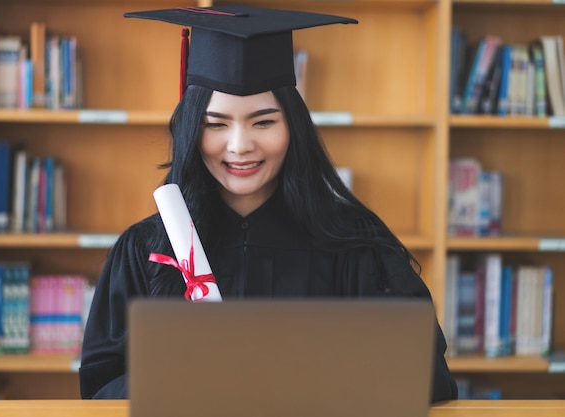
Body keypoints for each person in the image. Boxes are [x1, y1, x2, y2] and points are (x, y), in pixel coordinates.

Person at [79, 4, 457, 403]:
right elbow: (101, 388)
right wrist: (176, 377)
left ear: (293, 128)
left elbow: (429, 379)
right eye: (216, 124)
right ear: (192, 130)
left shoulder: (354, 241)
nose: (240, 146)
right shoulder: (148, 250)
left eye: (263, 122)